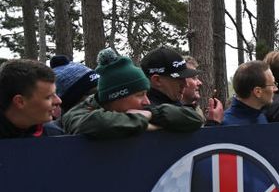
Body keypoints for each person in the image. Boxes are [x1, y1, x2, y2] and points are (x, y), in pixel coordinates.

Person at [62, 48, 202, 138]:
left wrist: (153, 114)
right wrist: (144, 124)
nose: (147, 101)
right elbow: (95, 123)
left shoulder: (140, 108)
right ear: (116, 97)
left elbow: (193, 118)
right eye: (139, 95)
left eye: (146, 93)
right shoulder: (79, 113)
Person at [140, 47, 216, 127]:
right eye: (179, 78)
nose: (185, 84)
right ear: (157, 80)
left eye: (185, 78)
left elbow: (195, 118)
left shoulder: (172, 103)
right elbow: (194, 119)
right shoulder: (142, 108)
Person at [0, 59, 64, 138]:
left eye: (55, 93)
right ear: (20, 101)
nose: (58, 101)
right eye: (48, 97)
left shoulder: (54, 135)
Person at [222, 61, 276, 126]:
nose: (276, 89)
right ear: (258, 92)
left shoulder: (260, 116)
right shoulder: (227, 126)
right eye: (273, 85)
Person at [180, 55, 224, 124]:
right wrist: (213, 122)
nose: (200, 83)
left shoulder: (197, 110)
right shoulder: (170, 115)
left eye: (197, 78)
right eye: (194, 78)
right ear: (180, 81)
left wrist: (207, 121)